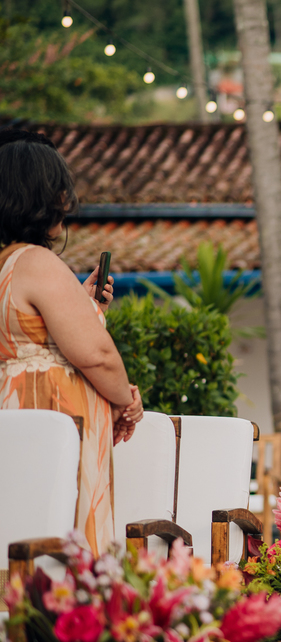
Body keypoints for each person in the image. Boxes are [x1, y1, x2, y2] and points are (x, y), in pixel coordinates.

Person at [0, 133, 143, 555]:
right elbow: (97, 356)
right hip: (54, 411)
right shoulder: (37, 262)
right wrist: (127, 401)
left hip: (18, 408)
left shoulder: (6, 263)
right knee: (62, 534)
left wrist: (82, 305)